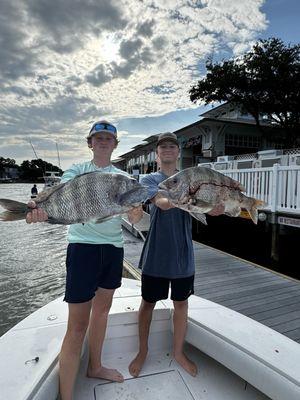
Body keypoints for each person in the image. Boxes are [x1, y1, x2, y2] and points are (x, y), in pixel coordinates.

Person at [26, 120, 143, 400]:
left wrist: (135, 207)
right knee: (77, 325)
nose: (103, 142)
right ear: (90, 143)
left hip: (113, 250)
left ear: (115, 144)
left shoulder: (122, 178)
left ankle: (95, 366)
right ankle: (67, 396)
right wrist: (37, 208)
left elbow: (135, 218)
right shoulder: (78, 170)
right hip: (83, 249)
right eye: (98, 138)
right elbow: (62, 192)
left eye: (108, 138)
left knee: (102, 313)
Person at [129, 132, 198, 378]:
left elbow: (206, 207)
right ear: (156, 154)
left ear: (178, 152)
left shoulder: (190, 178)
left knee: (181, 303)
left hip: (183, 254)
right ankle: (143, 351)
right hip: (156, 254)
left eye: (172, 146)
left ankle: (178, 352)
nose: (168, 149)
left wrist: (217, 207)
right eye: (163, 147)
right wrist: (167, 200)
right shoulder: (150, 179)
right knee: (147, 303)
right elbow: (158, 200)